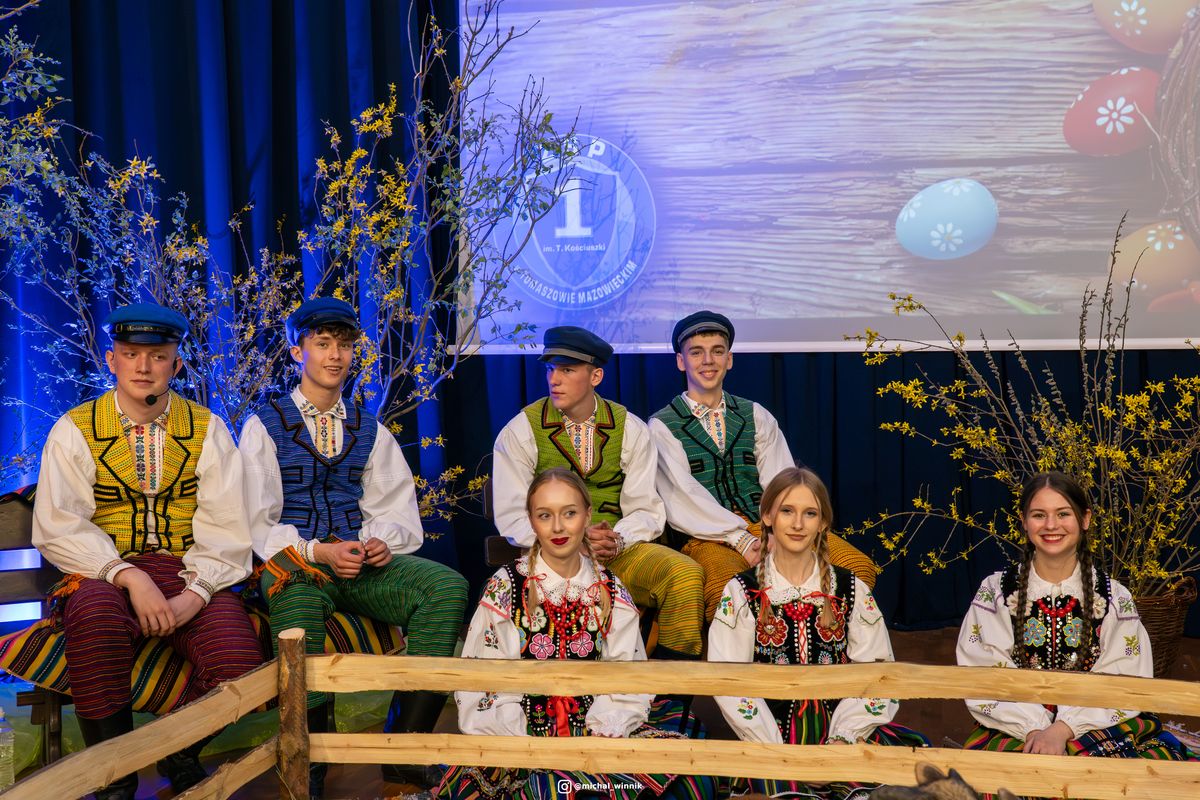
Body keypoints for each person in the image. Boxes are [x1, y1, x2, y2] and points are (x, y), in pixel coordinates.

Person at [32, 302, 263, 800]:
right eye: (131, 353)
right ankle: (114, 779)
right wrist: (128, 576)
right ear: (111, 360)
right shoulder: (74, 429)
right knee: (94, 617)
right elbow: (59, 524)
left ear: (175, 364)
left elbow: (227, 525)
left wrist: (196, 593)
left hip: (188, 569)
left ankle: (180, 749)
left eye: (157, 356)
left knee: (240, 663)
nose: (143, 367)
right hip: (101, 572)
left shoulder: (208, 429)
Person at [238, 297, 468, 796]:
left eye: (343, 345)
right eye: (322, 344)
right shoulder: (264, 425)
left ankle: (404, 748)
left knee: (446, 587)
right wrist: (317, 552)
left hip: (356, 562)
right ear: (297, 352)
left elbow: (395, 508)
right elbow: (256, 523)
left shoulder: (369, 428)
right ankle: (310, 759)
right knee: (298, 602)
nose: (335, 355)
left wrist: (379, 542)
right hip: (294, 564)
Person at [437, 467, 720, 800]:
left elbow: (626, 675)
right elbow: (486, 680)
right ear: (531, 521)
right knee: (558, 791)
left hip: (597, 729)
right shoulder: (507, 587)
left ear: (587, 516)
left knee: (691, 780)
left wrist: (605, 730)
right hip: (523, 734)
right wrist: (522, 744)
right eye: (545, 515)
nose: (558, 527)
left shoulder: (609, 589)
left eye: (569, 513)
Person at [708, 466, 927, 799]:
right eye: (787, 511)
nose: (798, 524)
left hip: (843, 734)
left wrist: (841, 742)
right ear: (767, 516)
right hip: (771, 740)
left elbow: (879, 675)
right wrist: (778, 752)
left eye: (810, 513)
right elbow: (728, 684)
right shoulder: (742, 592)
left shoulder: (850, 589)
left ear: (823, 522)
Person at [491, 326, 706, 663]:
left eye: (567, 370)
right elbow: (512, 515)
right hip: (550, 555)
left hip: (615, 552)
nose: (554, 380)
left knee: (685, 575)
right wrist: (571, 540)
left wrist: (617, 540)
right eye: (551, 369)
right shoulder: (521, 431)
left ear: (596, 376)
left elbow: (646, 508)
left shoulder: (630, 427)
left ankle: (669, 687)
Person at [650, 310, 878, 621]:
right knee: (726, 589)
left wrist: (777, 531)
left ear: (729, 359)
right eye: (696, 352)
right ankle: (754, 651)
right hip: (707, 538)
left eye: (717, 351)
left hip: (769, 526)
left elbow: (781, 482)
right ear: (681, 361)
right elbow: (681, 496)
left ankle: (821, 641)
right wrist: (740, 538)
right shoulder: (663, 426)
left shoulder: (755, 414)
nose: (708, 361)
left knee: (857, 567)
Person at [957, 471, 1198, 761]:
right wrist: (1034, 729)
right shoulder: (996, 592)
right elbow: (985, 672)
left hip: (1097, 721)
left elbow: (1124, 674)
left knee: (1128, 771)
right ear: (1024, 521)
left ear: (1084, 519)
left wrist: (1063, 728)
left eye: (1063, 514)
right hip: (1016, 724)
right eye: (1038, 515)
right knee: (1014, 773)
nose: (1051, 525)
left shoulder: (1114, 597)